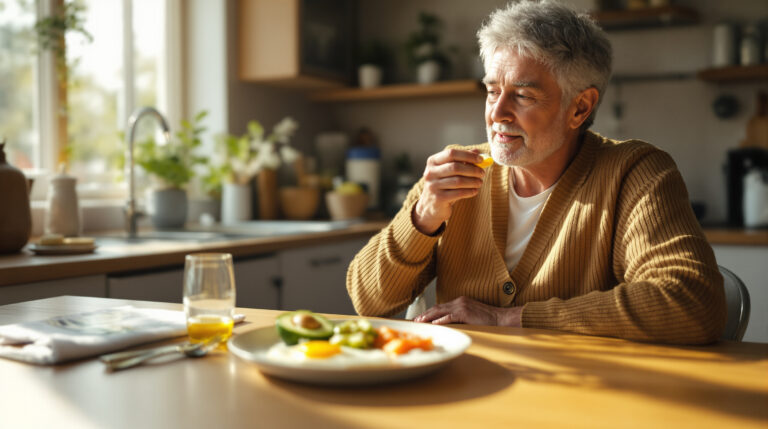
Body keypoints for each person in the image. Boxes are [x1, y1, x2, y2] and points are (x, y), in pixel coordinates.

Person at [346, 0, 726, 344]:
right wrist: (423, 218)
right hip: (464, 391)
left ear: (579, 108)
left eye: (523, 95)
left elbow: (691, 301)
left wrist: (508, 319)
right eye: (492, 91)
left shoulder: (634, 172)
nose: (496, 114)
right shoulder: (455, 172)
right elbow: (367, 300)